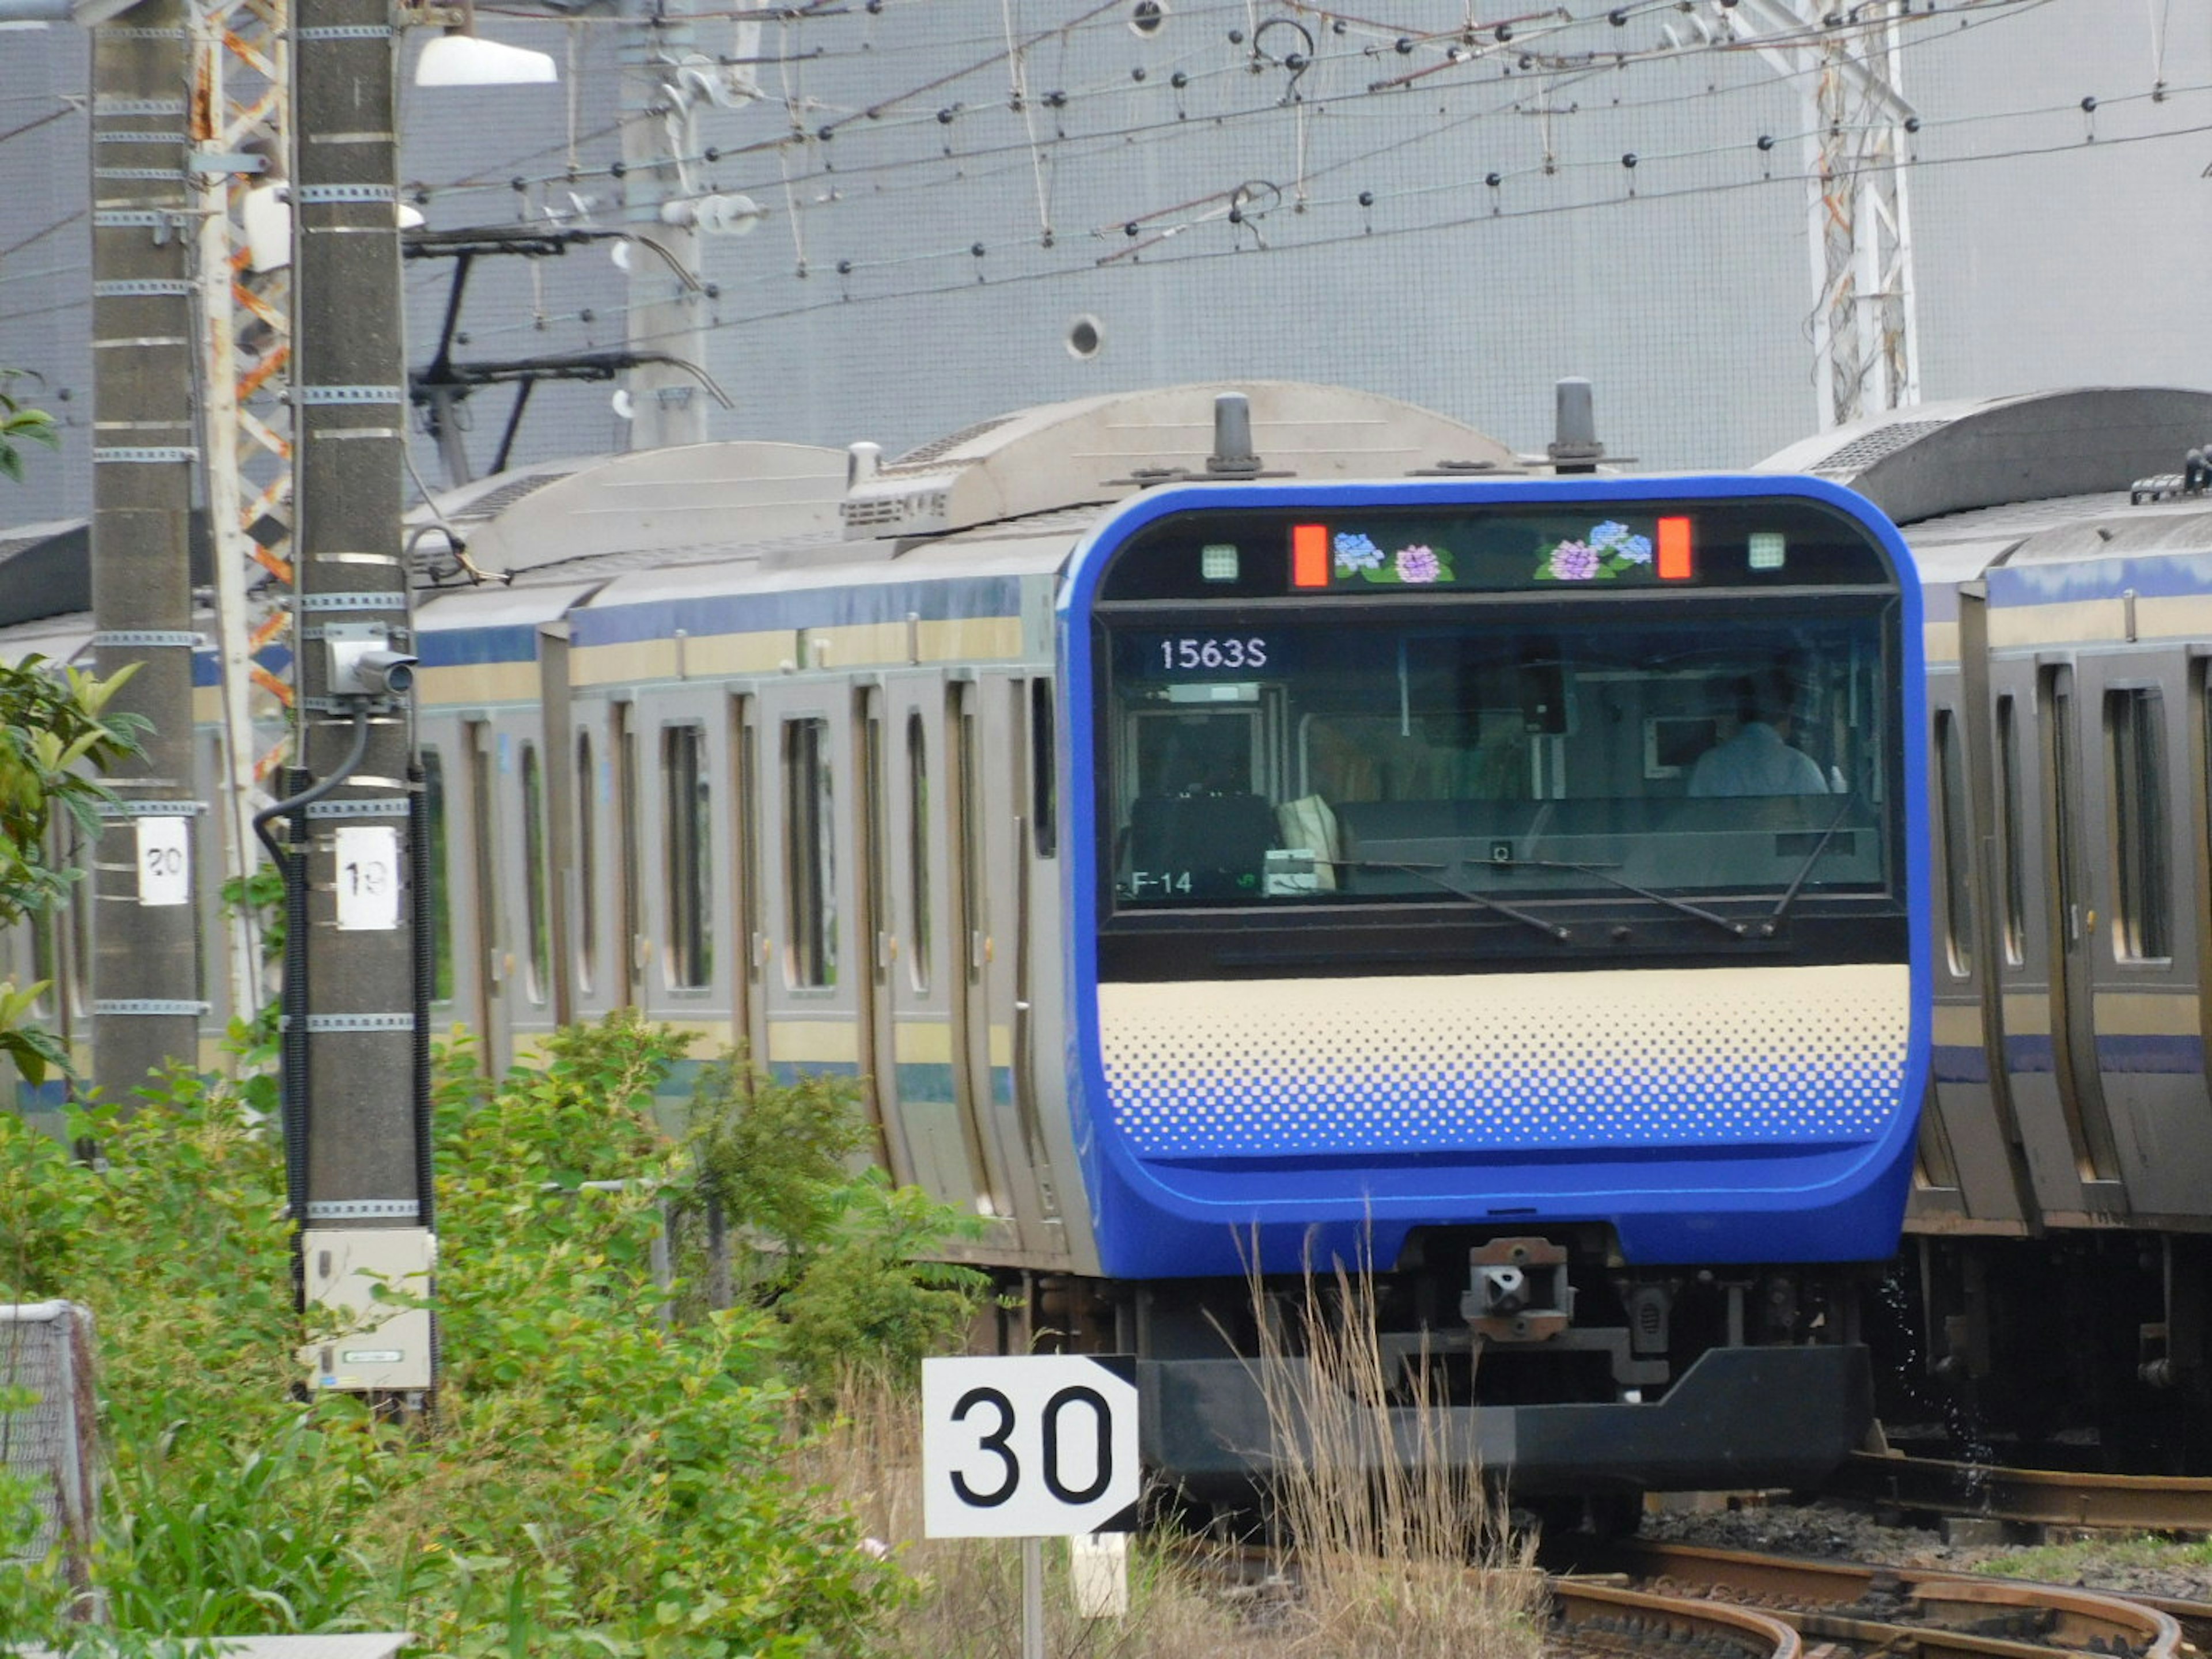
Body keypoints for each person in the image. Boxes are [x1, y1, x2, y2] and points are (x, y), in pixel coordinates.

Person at [1687, 669, 1831, 797]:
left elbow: (1693, 820)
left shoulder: (1709, 764)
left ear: (1739, 713)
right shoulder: (1801, 766)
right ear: (1790, 712)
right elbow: (1819, 822)